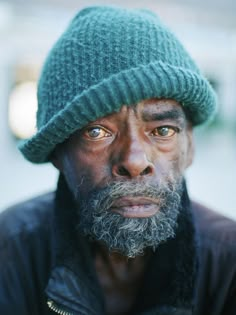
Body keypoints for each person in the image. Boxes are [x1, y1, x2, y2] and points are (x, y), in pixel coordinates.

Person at [0, 6, 235, 315]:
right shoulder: (10, 249)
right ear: (58, 152)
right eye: (97, 132)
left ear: (189, 146)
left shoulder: (229, 261)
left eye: (162, 130)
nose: (135, 160)